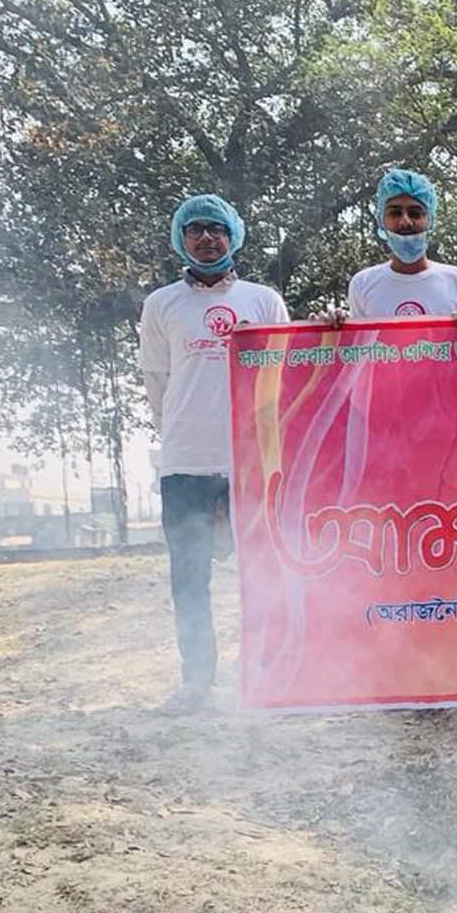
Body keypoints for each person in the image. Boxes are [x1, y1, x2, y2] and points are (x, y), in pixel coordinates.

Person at [137, 193, 289, 713]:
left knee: (266, 574)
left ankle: (269, 677)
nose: (206, 237)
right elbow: (157, 381)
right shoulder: (161, 304)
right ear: (181, 237)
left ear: (234, 235)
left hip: (251, 462)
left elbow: (284, 375)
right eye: (196, 228)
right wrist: (179, 431)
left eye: (216, 228)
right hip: (184, 462)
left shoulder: (262, 300)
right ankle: (198, 683)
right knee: (189, 579)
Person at [346, 169, 457, 323]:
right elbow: (354, 345)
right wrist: (325, 329)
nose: (405, 221)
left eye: (415, 213)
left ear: (430, 220)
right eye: (395, 213)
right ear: (381, 220)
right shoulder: (363, 284)